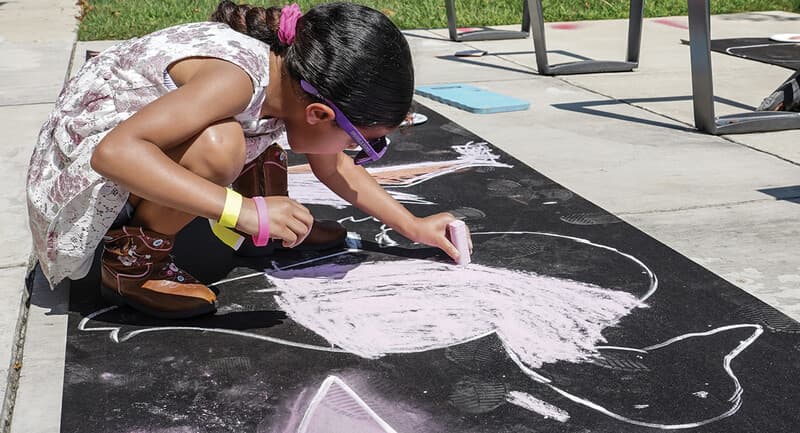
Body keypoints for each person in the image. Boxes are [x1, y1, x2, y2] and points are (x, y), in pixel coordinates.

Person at [26, 1, 467, 319]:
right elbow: (114, 153)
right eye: (366, 143)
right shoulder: (237, 79)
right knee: (222, 144)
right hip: (89, 170)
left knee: (259, 137)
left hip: (144, 154)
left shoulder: (292, 80)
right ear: (320, 113)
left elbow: (334, 166)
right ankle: (132, 267)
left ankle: (264, 233)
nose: (360, 154)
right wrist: (243, 211)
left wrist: (413, 227)